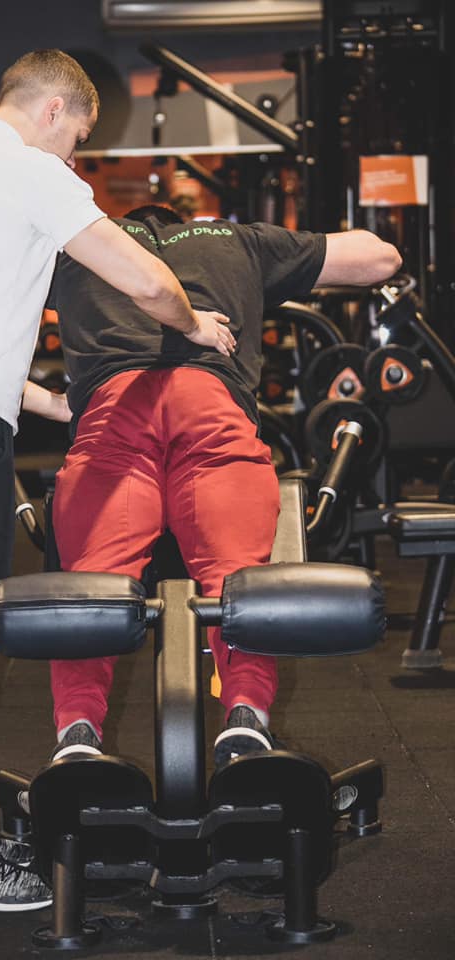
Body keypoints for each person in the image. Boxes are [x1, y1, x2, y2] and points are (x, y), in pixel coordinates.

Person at [0, 53, 233, 914]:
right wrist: (195, 323)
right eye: (80, 141)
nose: (74, 160)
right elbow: (141, 275)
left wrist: (51, 404)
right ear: (55, 108)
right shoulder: (23, 168)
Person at [26, 204, 401, 765]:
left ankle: (78, 734)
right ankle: (246, 718)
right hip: (211, 406)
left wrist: (51, 403)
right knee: (236, 584)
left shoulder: (81, 244)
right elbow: (380, 258)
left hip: (113, 412)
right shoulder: (238, 239)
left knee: (94, 588)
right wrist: (261, 265)